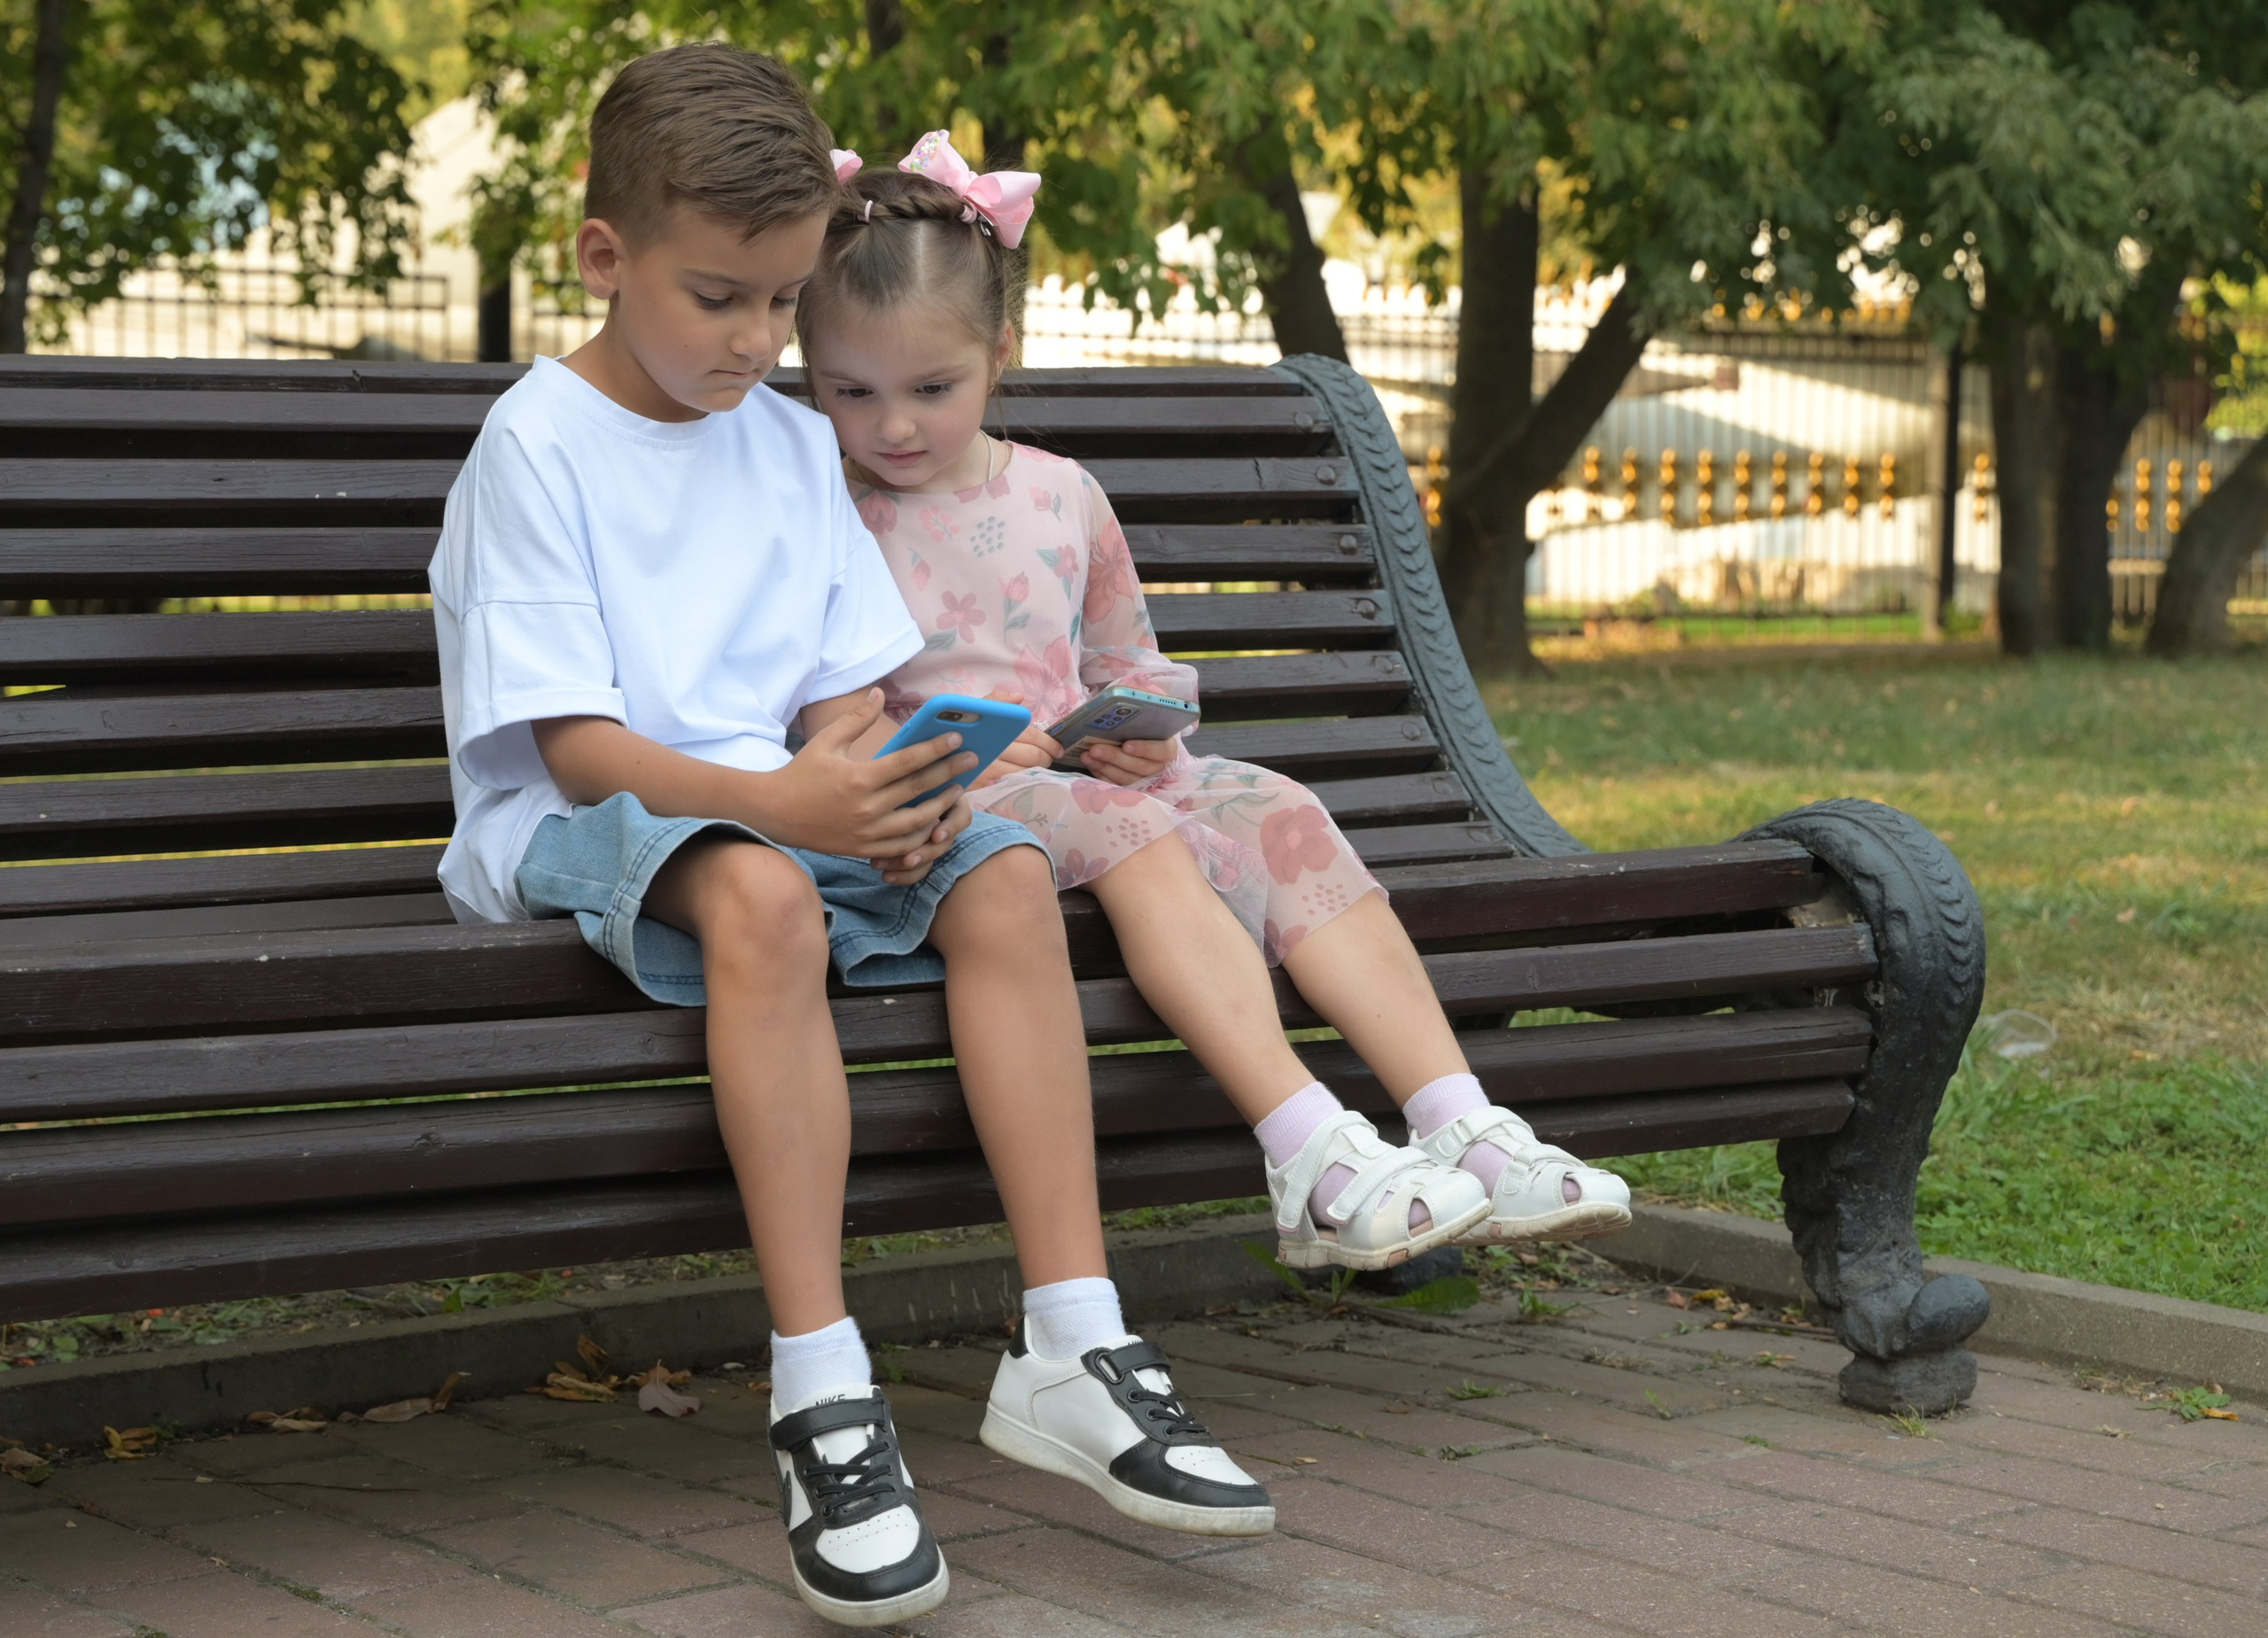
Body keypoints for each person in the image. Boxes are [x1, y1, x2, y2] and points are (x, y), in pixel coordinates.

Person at [427, 48, 1270, 1629]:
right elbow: (575, 745)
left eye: (782, 304)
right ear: (604, 258)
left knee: (1005, 869)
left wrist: (875, 778)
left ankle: (1074, 1341)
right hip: (581, 821)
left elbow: (840, 693)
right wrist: (794, 804)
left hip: (777, 800)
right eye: (722, 300)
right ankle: (823, 1396)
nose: (761, 345)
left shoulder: (782, 441)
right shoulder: (537, 448)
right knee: (760, 893)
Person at [796, 136, 1634, 1285]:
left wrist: (1136, 728)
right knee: (1135, 832)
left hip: (1085, 779)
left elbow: (1125, 657)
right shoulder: (820, 512)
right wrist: (979, 757)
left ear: (1001, 353)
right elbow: (814, 717)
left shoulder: (1058, 493)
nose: (892, 425)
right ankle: (1308, 1148)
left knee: (1281, 809)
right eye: (850, 391)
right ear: (810, 371)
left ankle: (1462, 1121)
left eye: (930, 389)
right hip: (952, 806)